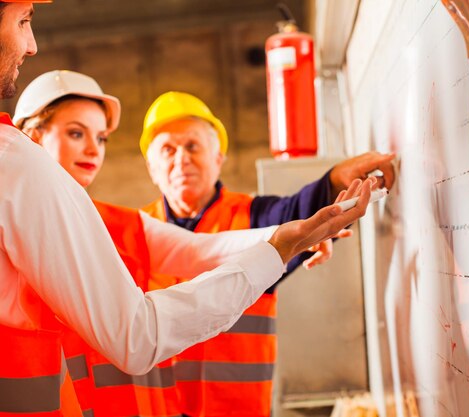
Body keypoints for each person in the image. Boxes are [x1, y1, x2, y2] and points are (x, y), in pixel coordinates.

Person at [0, 2, 374, 415]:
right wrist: (286, 243)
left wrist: (297, 232)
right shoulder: (19, 169)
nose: (92, 148)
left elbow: (204, 247)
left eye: (102, 137)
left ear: (219, 157)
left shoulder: (126, 223)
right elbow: (138, 334)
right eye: (75, 133)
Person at [140, 92, 396, 416]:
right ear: (151, 168)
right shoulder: (136, 233)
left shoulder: (253, 217)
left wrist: (333, 183)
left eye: (192, 146)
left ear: (218, 157)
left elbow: (296, 216)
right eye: (167, 150)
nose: (181, 159)